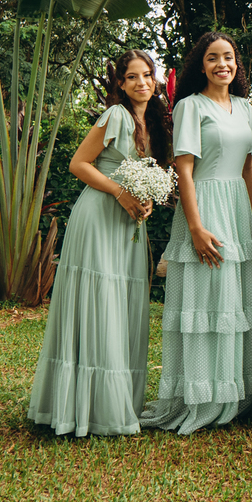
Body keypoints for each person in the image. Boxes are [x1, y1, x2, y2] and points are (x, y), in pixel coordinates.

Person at [28, 49, 169, 436]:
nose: (143, 83)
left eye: (148, 75)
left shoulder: (152, 124)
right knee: (99, 303)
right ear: (120, 84)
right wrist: (121, 194)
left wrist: (146, 200)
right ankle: (82, 410)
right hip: (98, 218)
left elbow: (145, 175)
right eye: (133, 77)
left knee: (121, 307)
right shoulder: (115, 116)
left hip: (128, 226)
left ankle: (114, 404)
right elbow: (79, 164)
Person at [140, 32, 252, 435]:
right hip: (205, 206)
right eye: (213, 58)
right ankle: (199, 397)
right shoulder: (190, 106)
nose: (221, 65)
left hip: (239, 211)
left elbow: (247, 168)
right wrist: (195, 227)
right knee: (206, 303)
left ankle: (233, 396)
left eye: (228, 57)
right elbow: (184, 169)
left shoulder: (246, 108)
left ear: (236, 64)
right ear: (202, 65)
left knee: (234, 306)